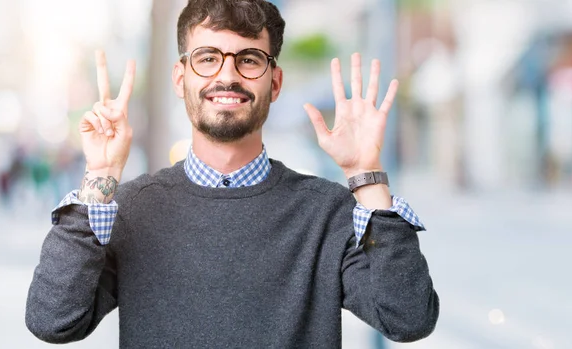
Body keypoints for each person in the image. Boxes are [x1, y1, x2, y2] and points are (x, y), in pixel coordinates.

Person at [26, 0, 439, 347]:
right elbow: (53, 320)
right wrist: (99, 176)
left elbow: (408, 319)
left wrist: (366, 174)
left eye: (248, 59)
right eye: (207, 58)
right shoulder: (131, 210)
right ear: (180, 77)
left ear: (274, 82)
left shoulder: (327, 212)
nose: (227, 75)